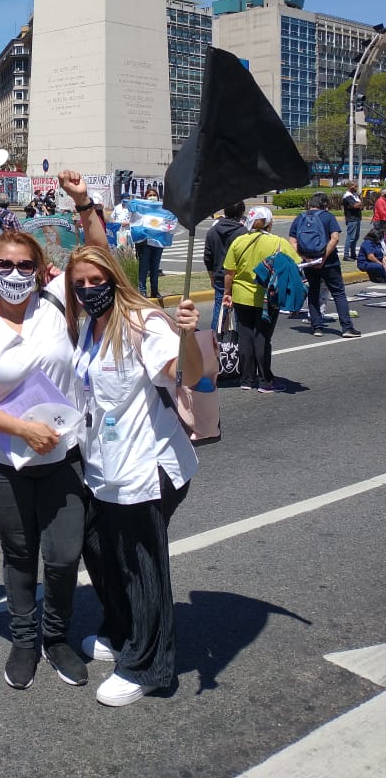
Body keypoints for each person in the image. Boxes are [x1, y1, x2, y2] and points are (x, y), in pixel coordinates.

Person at [67, 244, 202, 707]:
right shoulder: (89, 326)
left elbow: (185, 375)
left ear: (114, 279)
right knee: (99, 549)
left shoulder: (144, 323)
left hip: (145, 466)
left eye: (96, 281)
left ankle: (148, 666)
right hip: (102, 466)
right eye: (80, 284)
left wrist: (188, 336)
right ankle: (122, 628)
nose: (89, 290)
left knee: (140, 564)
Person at [0, 231, 87, 691]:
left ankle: (57, 637)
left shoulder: (57, 306)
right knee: (20, 553)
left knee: (64, 554)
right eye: (5, 265)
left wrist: (85, 206)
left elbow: (98, 258)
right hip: (2, 463)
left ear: (40, 269)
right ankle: (25, 640)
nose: (14, 274)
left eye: (25, 265)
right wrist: (22, 429)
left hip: (63, 457)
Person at [222, 206, 301, 390]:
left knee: (245, 336)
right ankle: (265, 380)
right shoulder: (278, 242)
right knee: (262, 337)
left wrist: (227, 292)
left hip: (241, 296)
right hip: (268, 297)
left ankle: (247, 379)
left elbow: (229, 272)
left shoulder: (239, 241)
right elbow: (295, 264)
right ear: (269, 223)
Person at [288, 192, 361, 340]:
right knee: (338, 293)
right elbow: (335, 238)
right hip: (329, 262)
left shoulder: (300, 217)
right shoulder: (328, 217)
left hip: (309, 262)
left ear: (310, 204)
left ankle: (316, 326)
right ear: (325, 204)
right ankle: (347, 327)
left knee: (313, 292)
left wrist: (306, 258)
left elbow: (292, 241)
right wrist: (323, 257)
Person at [203, 202, 246, 330]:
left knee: (220, 308)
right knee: (240, 312)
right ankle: (240, 338)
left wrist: (212, 277)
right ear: (241, 213)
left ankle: (214, 337)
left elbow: (208, 257)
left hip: (220, 276)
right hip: (239, 277)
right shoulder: (243, 232)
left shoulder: (212, 231)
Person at [136, 189, 164, 300]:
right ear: (145, 197)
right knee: (143, 268)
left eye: (154, 195)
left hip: (158, 243)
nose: (152, 197)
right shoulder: (142, 210)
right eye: (150, 195)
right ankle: (142, 291)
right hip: (145, 243)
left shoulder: (162, 210)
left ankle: (154, 290)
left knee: (155, 267)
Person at [341, 185, 363, 261]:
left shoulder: (354, 196)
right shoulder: (348, 196)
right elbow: (355, 205)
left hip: (357, 218)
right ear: (350, 187)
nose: (356, 188)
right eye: (355, 186)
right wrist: (359, 204)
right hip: (351, 219)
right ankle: (346, 255)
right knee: (350, 237)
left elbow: (361, 206)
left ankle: (353, 254)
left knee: (356, 237)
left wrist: (359, 204)